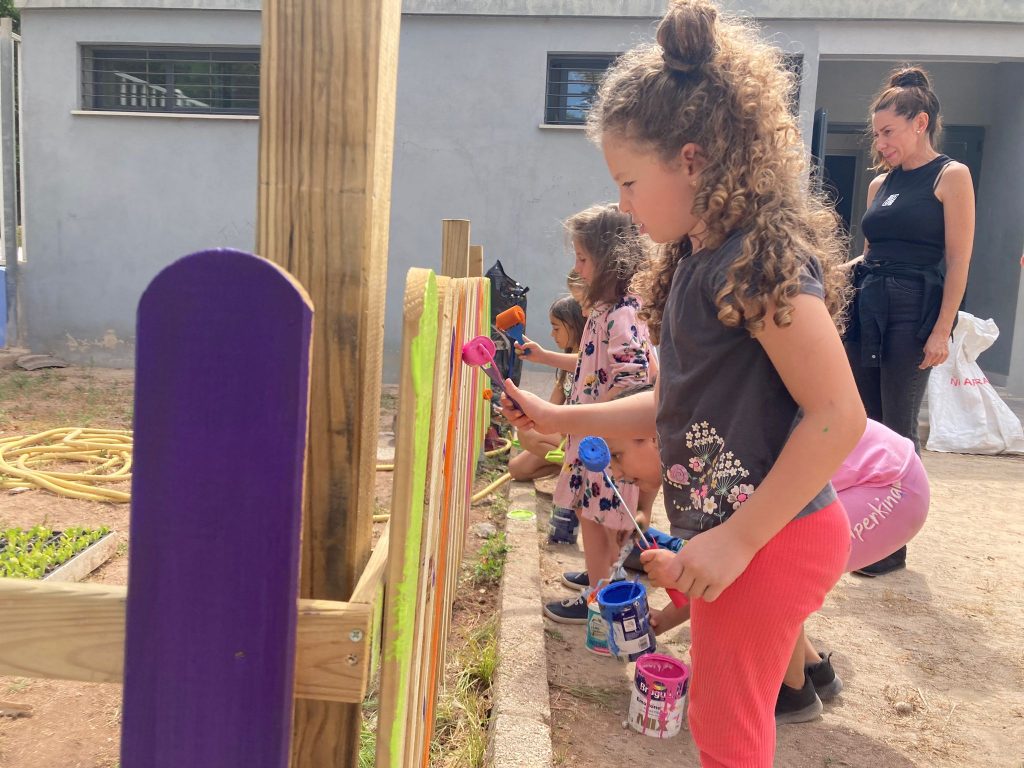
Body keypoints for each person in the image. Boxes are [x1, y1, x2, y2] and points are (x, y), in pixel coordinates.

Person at [500, 2, 865, 764]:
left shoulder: (756, 261)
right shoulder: (696, 262)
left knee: (726, 730)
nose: (624, 204)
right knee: (723, 720)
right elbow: (671, 400)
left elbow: (839, 415)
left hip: (775, 536)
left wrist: (737, 538)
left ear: (692, 160)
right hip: (746, 535)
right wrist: (558, 419)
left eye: (630, 182)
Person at [602, 416, 929, 723]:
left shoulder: (707, 452)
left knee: (775, 563)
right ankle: (814, 670)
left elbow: (728, 567)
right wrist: (666, 616)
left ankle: (793, 693)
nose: (615, 472)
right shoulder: (697, 444)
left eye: (617, 456)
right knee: (773, 557)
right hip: (880, 477)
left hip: (890, 487)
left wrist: (670, 608)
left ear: (651, 439)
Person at [844, 65, 975, 576]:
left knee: (898, 428)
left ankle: (893, 546)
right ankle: (871, 535)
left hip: (914, 310)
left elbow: (959, 260)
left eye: (888, 132)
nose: (880, 144)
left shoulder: (951, 176)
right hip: (868, 307)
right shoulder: (881, 184)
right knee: (867, 427)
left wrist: (942, 330)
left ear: (920, 123)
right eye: (876, 134)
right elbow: (870, 253)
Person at [518, 202, 656, 624]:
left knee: (599, 522)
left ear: (609, 260)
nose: (576, 268)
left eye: (582, 258)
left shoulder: (623, 314)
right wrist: (546, 358)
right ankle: (602, 582)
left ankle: (599, 603)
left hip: (606, 445)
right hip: (594, 437)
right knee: (595, 518)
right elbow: (591, 363)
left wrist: (593, 416)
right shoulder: (605, 312)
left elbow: (633, 375)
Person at [507, 295, 586, 484]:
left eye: (556, 328)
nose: (552, 334)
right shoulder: (565, 367)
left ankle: (583, 472)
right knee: (517, 469)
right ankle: (573, 467)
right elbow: (551, 408)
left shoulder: (590, 361)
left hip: (582, 434)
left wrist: (543, 356)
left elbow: (583, 363)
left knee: (527, 434)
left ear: (574, 326)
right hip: (566, 434)